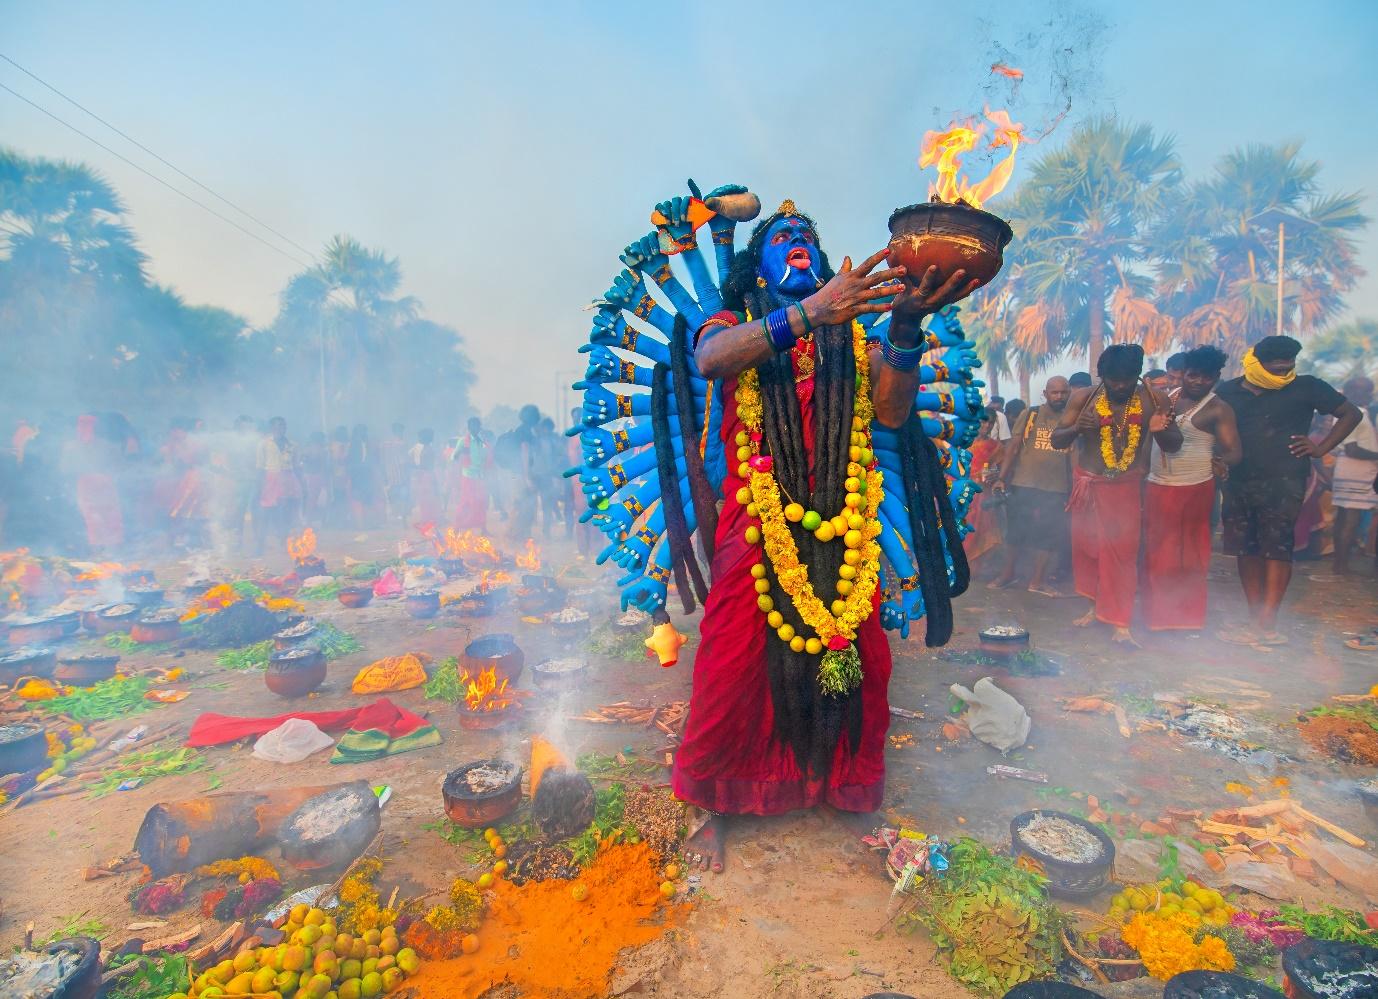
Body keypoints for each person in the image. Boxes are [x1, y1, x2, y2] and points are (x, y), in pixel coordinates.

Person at [671, 200, 978, 871]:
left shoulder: (851, 335)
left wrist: (903, 322)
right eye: (782, 237)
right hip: (755, 526)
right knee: (730, 667)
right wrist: (808, 313)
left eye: (807, 235)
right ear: (761, 262)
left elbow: (892, 409)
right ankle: (712, 800)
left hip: (844, 530)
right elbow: (712, 358)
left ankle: (834, 787)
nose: (797, 243)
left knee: (856, 667)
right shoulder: (738, 320)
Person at [1214, 335, 1361, 646]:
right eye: (1276, 368)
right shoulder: (1229, 391)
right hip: (1239, 480)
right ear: (1258, 363)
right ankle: (1254, 617)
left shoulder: (1307, 386)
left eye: (1288, 367)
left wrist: (1321, 448)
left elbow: (1351, 414)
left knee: (1277, 547)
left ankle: (1268, 622)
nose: (1283, 373)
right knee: (1246, 547)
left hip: (1285, 480)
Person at [1050, 344, 1181, 646]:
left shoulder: (1153, 399)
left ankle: (1120, 621)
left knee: (1121, 553)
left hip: (1126, 485)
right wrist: (1076, 429)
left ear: (1137, 376)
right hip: (1089, 485)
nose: (1120, 386)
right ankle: (1098, 608)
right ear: (1102, 376)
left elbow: (1174, 445)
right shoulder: (1083, 399)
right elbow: (1058, 440)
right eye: (1113, 380)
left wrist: (1162, 430)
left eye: (1127, 380)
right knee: (1090, 550)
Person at [1143, 346, 1241, 632]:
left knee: (1188, 556)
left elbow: (1235, 450)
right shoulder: (1168, 398)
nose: (1198, 381)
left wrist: (1223, 462)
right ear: (1182, 374)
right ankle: (1157, 617)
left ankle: (1186, 618)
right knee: (1157, 553)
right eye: (1193, 375)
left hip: (1193, 488)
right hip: (1157, 485)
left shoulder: (1218, 408)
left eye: (1206, 377)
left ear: (1216, 378)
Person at [992, 376, 1072, 596]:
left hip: (1057, 487)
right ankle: (1007, 575)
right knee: (1016, 532)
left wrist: (1074, 487)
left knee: (1048, 535)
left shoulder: (1073, 417)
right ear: (1045, 394)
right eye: (1054, 392)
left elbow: (1075, 454)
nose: (1059, 396)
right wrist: (1002, 477)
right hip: (1024, 482)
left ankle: (1036, 582)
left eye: (1063, 392)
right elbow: (1013, 447)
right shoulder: (1031, 414)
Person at [1330, 376, 1378, 575]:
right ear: (1348, 392)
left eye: (1368, 391)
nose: (1367, 395)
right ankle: (1341, 565)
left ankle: (1340, 563)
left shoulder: (1349, 411)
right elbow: (1352, 449)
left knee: (1343, 517)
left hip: (1349, 469)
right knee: (1351, 519)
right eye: (1362, 391)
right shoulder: (1354, 412)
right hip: (1356, 470)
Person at [69, 413, 125, 554]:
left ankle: (114, 555)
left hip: (105, 487)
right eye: (81, 423)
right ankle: (93, 553)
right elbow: (66, 470)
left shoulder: (107, 446)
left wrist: (104, 478)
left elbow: (117, 467)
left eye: (87, 423)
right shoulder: (71, 447)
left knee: (110, 519)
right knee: (91, 520)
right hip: (84, 488)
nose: (83, 427)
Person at [256, 416, 302, 552]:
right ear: (272, 428)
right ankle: (260, 545)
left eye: (283, 425)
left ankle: (284, 543)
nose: (281, 428)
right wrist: (259, 486)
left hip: (288, 478)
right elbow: (259, 467)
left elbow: (297, 466)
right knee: (266, 512)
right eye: (278, 426)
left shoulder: (293, 445)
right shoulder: (264, 444)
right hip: (270, 479)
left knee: (285, 513)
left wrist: (301, 485)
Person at [450, 416, 493, 531]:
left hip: (480, 476)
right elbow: (453, 457)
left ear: (480, 428)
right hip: (468, 476)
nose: (475, 428)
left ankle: (483, 529)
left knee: (481, 502)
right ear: (469, 427)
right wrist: (461, 453)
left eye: (477, 426)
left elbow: (486, 456)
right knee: (465, 502)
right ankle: (457, 528)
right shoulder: (463, 441)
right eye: (473, 426)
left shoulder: (482, 442)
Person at [346, 424, 381, 528]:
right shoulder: (356, 445)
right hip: (361, 473)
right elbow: (355, 461)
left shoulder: (362, 444)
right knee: (362, 498)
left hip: (363, 473)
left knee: (364, 498)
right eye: (364, 431)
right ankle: (362, 524)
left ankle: (365, 523)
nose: (366, 433)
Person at [409, 429, 440, 524]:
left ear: (425, 438)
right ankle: (428, 518)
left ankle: (428, 519)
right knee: (425, 499)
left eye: (420, 437)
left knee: (426, 499)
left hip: (426, 476)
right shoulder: (426, 448)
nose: (418, 439)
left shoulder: (428, 450)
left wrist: (415, 466)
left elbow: (427, 465)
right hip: (426, 475)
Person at [381, 422, 407, 520]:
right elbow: (405, 460)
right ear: (399, 431)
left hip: (390, 472)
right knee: (401, 494)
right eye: (401, 431)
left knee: (393, 493)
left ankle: (396, 513)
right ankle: (400, 513)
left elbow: (382, 458)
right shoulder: (402, 444)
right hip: (401, 473)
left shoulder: (385, 444)